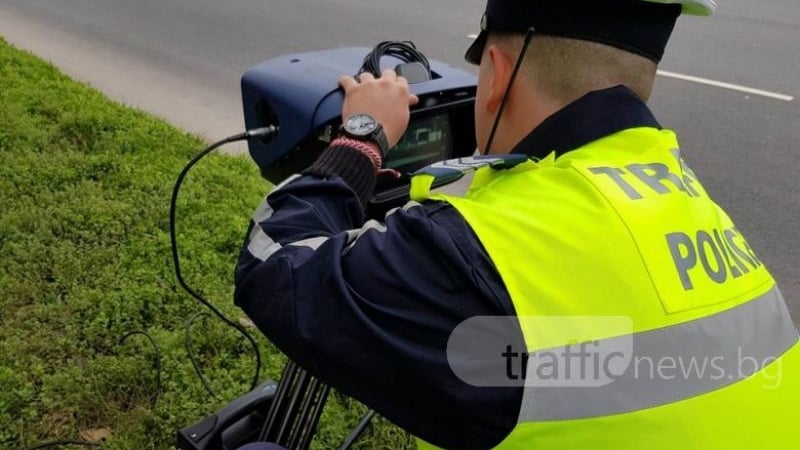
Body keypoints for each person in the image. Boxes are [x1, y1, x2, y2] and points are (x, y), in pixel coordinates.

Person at [234, 0, 800, 448]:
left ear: (498, 73)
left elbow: (273, 265)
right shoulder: (689, 200)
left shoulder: (480, 260)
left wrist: (361, 138)